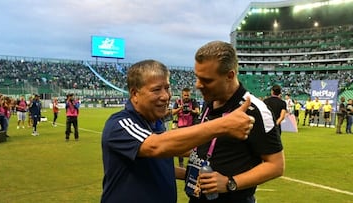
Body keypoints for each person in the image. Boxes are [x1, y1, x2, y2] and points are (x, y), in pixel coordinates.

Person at [100, 59, 255, 203]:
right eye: (156, 90)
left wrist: (192, 174)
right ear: (135, 94)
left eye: (167, 88)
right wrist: (222, 125)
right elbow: (156, 146)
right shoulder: (120, 124)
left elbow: (157, 164)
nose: (165, 96)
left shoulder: (156, 123)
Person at [186, 41, 284, 203]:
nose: (198, 85)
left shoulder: (255, 110)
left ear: (230, 76)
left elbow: (276, 165)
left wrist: (230, 182)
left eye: (207, 80)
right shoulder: (210, 100)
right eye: (197, 77)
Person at [172, 87, 200, 168]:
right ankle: (181, 163)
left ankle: (191, 163)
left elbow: (198, 111)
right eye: (185, 95)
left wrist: (190, 110)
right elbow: (173, 112)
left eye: (188, 95)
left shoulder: (193, 102)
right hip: (180, 128)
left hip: (191, 127)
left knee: (193, 146)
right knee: (180, 146)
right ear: (182, 95)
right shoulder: (178, 102)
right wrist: (180, 108)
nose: (187, 97)